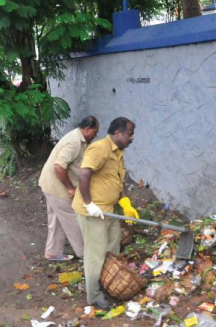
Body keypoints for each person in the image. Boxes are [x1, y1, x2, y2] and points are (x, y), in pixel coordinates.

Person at [71, 117, 140, 309]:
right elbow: (84, 175)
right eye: (129, 134)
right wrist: (89, 204)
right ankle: (93, 296)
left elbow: (118, 182)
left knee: (113, 248)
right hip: (92, 211)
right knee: (95, 253)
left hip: (109, 211)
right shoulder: (100, 148)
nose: (132, 138)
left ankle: (108, 284)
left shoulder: (118, 153)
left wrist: (125, 203)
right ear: (117, 133)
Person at [38, 116, 99, 261]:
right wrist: (70, 188)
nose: (95, 135)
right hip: (56, 187)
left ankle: (53, 252)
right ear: (87, 129)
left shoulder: (79, 138)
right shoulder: (74, 142)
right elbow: (59, 166)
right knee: (74, 220)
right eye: (95, 132)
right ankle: (86, 255)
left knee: (57, 220)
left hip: (49, 184)